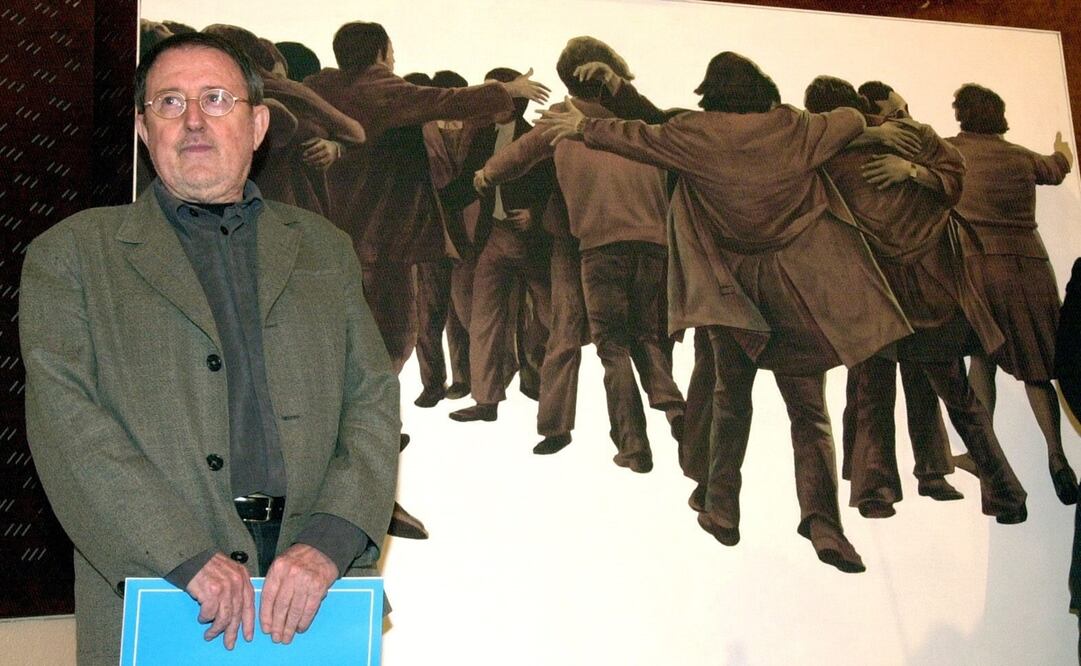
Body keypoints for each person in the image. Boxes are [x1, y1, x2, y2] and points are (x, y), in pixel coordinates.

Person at [19, 32, 400, 664]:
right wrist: (183, 555)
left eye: (216, 99)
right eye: (169, 103)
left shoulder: (325, 247)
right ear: (145, 129)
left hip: (314, 597)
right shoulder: (71, 256)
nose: (193, 119)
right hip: (160, 595)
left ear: (258, 125)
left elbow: (372, 399)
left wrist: (330, 542)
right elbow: (67, 425)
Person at [539, 52, 919, 573]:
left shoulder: (694, 135)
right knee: (808, 413)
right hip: (797, 291)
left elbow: (641, 132)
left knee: (729, 399)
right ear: (764, 92)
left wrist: (585, 124)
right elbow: (851, 123)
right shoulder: (794, 128)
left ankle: (722, 507)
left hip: (731, 292)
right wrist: (878, 131)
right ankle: (825, 524)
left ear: (711, 98)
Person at [804, 76, 1026, 523]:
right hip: (908, 293)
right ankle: (1001, 493)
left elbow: (953, 175)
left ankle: (879, 491)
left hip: (897, 293)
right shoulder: (888, 142)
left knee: (880, 391)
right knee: (946, 395)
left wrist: (912, 172)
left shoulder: (830, 156)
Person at [477, 37, 685, 469]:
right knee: (645, 335)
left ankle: (624, 443)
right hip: (652, 246)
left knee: (586, 339)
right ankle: (670, 402)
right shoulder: (644, 122)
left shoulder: (559, 122)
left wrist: (484, 176)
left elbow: (513, 159)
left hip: (589, 244)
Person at [945, 83, 1077, 505]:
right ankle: (1057, 457)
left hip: (978, 267)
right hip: (1030, 269)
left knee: (983, 357)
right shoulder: (1022, 157)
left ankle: (983, 457)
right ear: (998, 116)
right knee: (1037, 368)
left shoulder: (950, 151)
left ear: (962, 115)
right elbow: (1058, 167)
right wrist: (1062, 150)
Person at [447, 67, 556, 423]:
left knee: (545, 317)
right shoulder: (481, 138)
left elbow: (557, 188)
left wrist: (535, 214)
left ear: (516, 102)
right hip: (493, 235)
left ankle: (538, 384)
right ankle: (487, 400)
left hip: (531, 241)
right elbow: (463, 185)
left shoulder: (537, 137)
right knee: (484, 317)